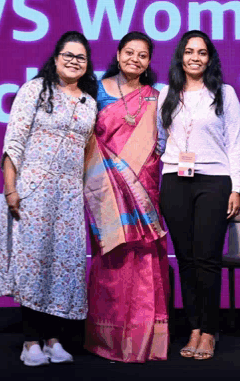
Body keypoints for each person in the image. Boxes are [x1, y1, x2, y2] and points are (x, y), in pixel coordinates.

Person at [0, 31, 98, 367]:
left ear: (87, 64)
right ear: (55, 58)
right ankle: (30, 342)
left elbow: (88, 154)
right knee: (34, 264)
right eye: (68, 55)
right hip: (33, 191)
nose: (73, 61)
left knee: (64, 267)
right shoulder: (35, 89)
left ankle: (54, 340)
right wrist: (11, 189)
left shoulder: (89, 102)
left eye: (80, 57)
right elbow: (14, 141)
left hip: (68, 195)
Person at [83, 31, 170, 363]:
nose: (135, 59)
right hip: (105, 192)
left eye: (143, 55)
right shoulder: (95, 90)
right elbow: (87, 141)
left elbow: (161, 141)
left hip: (144, 188)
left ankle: (146, 339)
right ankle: (108, 340)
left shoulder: (154, 97)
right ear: (118, 55)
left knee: (146, 259)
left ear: (149, 62)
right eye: (130, 52)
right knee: (112, 259)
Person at [158, 30, 240, 361]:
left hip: (214, 181)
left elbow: (236, 142)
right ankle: (193, 327)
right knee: (186, 260)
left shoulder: (225, 93)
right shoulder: (167, 93)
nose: (195, 57)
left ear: (210, 58)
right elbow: (159, 142)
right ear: (181, 56)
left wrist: (236, 187)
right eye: (189, 51)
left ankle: (209, 331)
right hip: (175, 181)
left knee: (207, 259)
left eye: (202, 52)